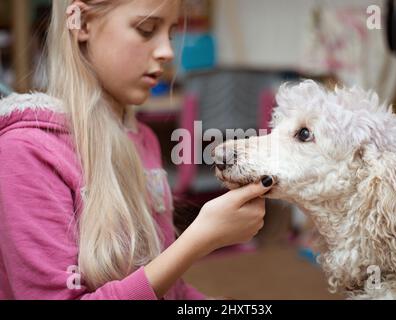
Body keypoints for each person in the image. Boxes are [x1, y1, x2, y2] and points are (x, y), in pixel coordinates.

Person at [0, 0, 273, 300]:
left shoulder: (143, 140)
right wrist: (198, 239)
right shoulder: (24, 153)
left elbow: (168, 289)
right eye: (146, 30)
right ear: (82, 24)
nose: (167, 52)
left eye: (169, 35)